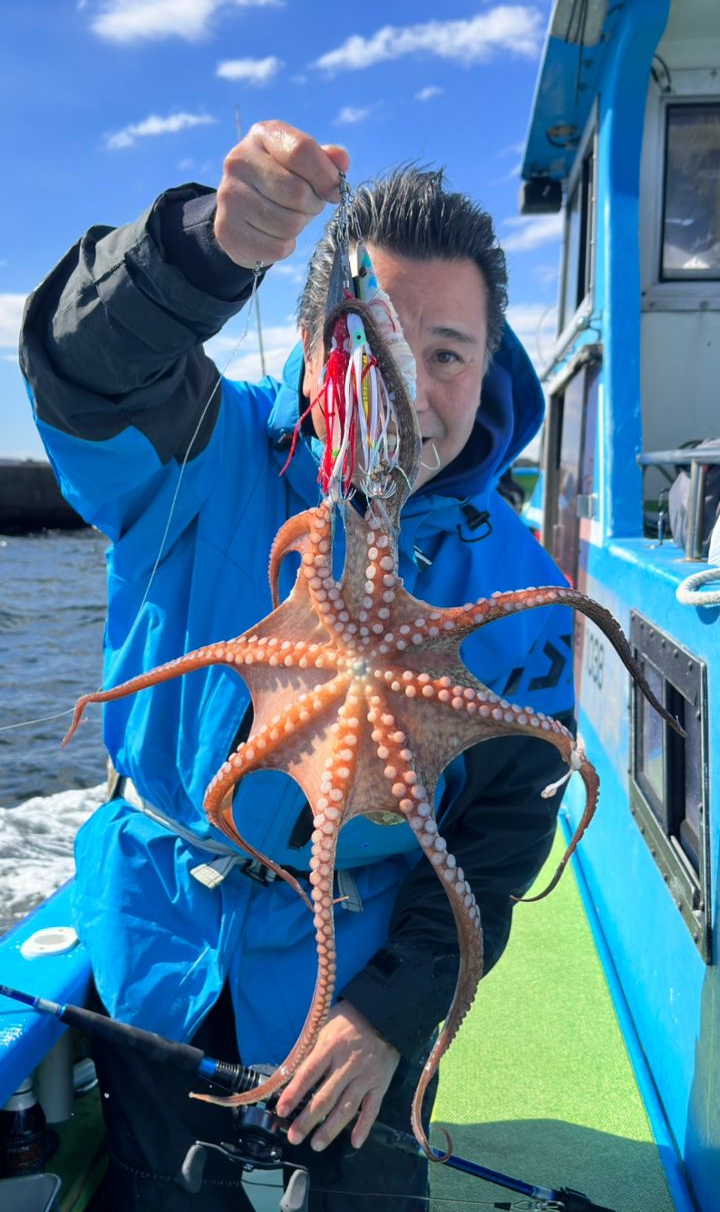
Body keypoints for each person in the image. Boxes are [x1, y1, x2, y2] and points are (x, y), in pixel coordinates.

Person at [20, 121, 575, 1211]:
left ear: (488, 363)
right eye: (375, 342)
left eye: (448, 353)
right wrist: (201, 248)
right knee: (158, 1179)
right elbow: (79, 369)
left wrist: (383, 1014)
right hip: (160, 945)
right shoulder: (202, 447)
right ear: (320, 339)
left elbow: (501, 834)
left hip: (360, 978)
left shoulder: (517, 585)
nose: (410, 389)